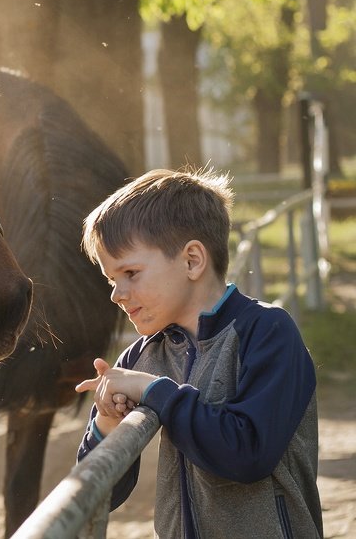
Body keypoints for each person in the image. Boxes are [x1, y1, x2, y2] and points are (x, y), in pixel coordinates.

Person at [74, 167, 323, 539]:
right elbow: (100, 496)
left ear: (192, 260)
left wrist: (155, 392)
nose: (116, 294)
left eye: (130, 273)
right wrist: (107, 424)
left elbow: (249, 454)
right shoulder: (141, 359)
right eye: (112, 279)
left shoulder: (267, 333)